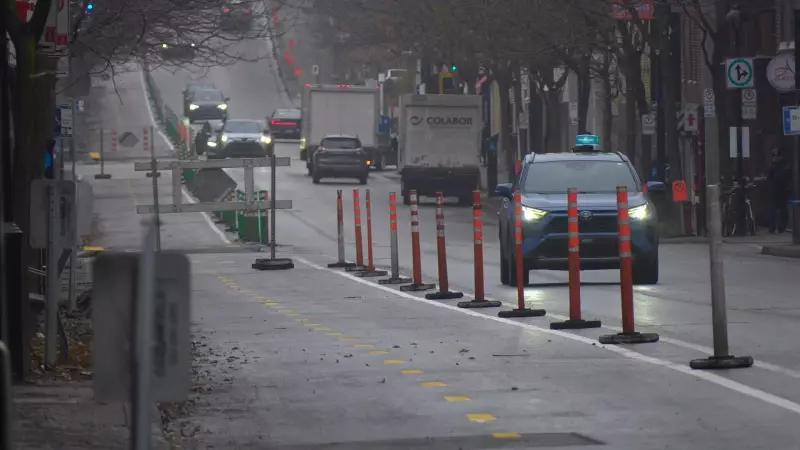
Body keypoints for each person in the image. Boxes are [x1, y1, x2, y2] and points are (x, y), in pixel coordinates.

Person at [767, 148, 790, 233]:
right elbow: (789, 176)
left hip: (773, 189)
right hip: (783, 189)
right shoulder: (785, 164)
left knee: (772, 209)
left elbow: (769, 177)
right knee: (783, 208)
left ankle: (772, 228)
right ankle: (782, 227)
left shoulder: (772, 165)